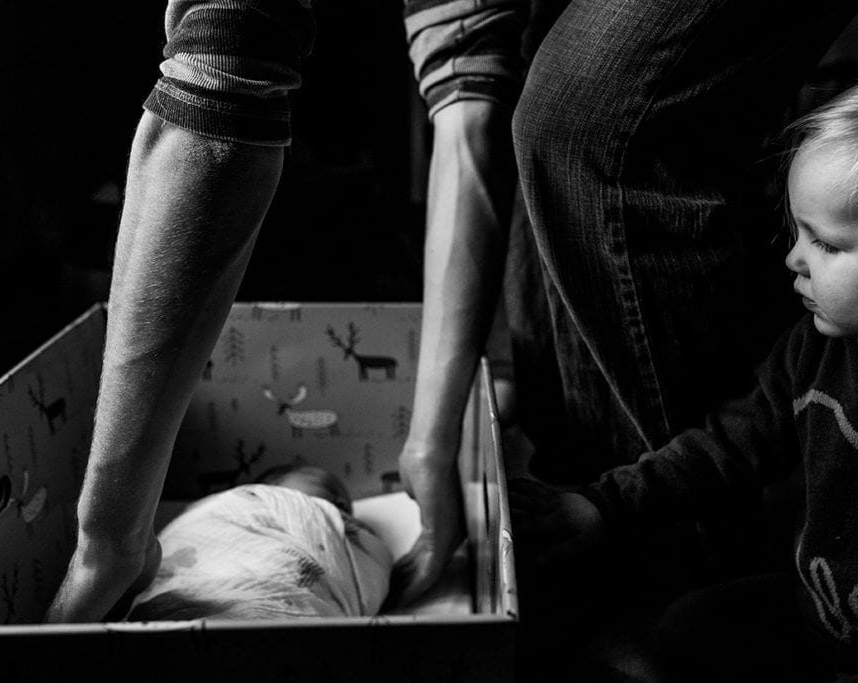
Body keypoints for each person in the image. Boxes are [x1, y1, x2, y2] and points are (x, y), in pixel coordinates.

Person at [511, 64, 858, 681]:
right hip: (820, 616)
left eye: (826, 244)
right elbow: (728, 444)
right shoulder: (816, 346)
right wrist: (604, 505)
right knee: (686, 627)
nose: (793, 258)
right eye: (796, 231)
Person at [45, 0, 526, 623]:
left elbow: (223, 70)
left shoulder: (344, 535)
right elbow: (469, 94)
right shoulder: (237, 507)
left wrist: (431, 447)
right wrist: (110, 540)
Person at [125, 464, 393, 621]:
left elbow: (368, 575)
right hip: (209, 571)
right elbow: (190, 533)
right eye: (326, 489)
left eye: (343, 504)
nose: (338, 503)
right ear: (270, 487)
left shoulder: (336, 528)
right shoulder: (241, 504)